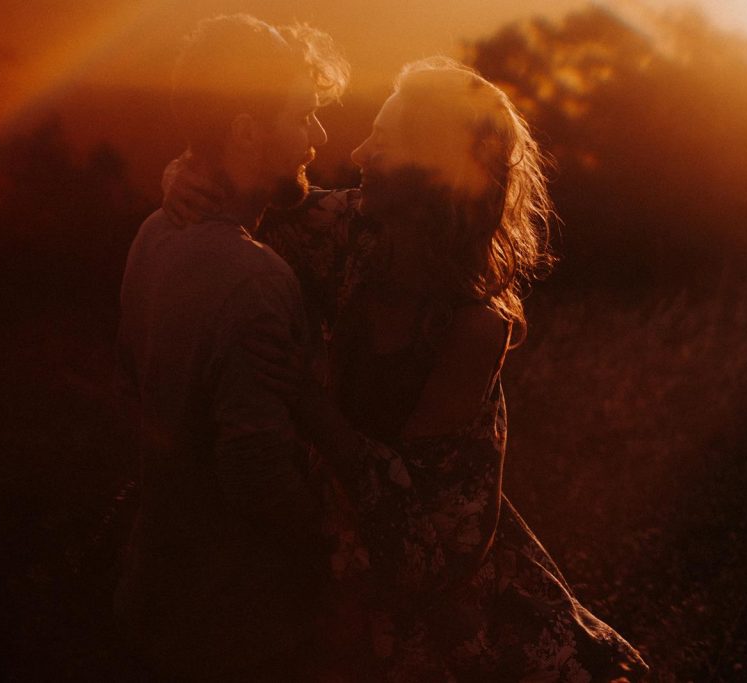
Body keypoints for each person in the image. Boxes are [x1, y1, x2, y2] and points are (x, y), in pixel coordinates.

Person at [166, 59, 648, 681]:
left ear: (431, 171)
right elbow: (255, 197)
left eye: (385, 140)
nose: (361, 153)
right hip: (351, 567)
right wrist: (184, 173)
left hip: (458, 606)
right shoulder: (355, 232)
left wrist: (311, 407)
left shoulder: (473, 326)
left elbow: (428, 540)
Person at [113, 14, 349, 680]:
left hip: (153, 592)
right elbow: (254, 467)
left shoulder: (151, 236)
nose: (318, 137)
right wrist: (329, 544)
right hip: (234, 627)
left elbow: (133, 381)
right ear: (247, 129)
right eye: (301, 116)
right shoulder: (254, 277)